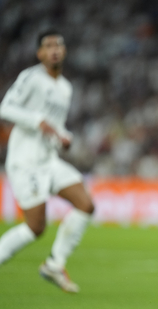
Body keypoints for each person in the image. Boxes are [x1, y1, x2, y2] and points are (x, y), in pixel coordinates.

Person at [0, 30, 94, 293]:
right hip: (25, 161)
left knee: (85, 204)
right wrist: (36, 120)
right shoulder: (31, 78)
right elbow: (5, 107)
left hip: (48, 160)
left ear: (64, 51)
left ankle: (55, 264)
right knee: (35, 227)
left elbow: (56, 126)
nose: (54, 49)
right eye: (48, 45)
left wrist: (63, 137)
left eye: (58, 45)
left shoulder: (65, 87)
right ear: (39, 53)